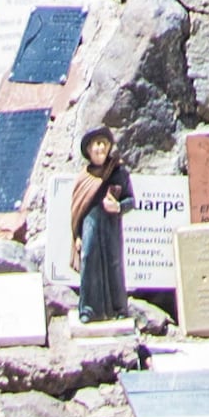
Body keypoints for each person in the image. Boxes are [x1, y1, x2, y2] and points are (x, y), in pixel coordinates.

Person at [59, 128, 136, 324]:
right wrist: (76, 235)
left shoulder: (119, 173)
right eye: (96, 144)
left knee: (114, 263)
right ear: (89, 150)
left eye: (104, 143)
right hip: (90, 223)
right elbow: (77, 210)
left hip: (111, 225)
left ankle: (119, 308)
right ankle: (88, 309)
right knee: (88, 260)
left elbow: (131, 201)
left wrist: (118, 206)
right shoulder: (84, 177)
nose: (100, 148)